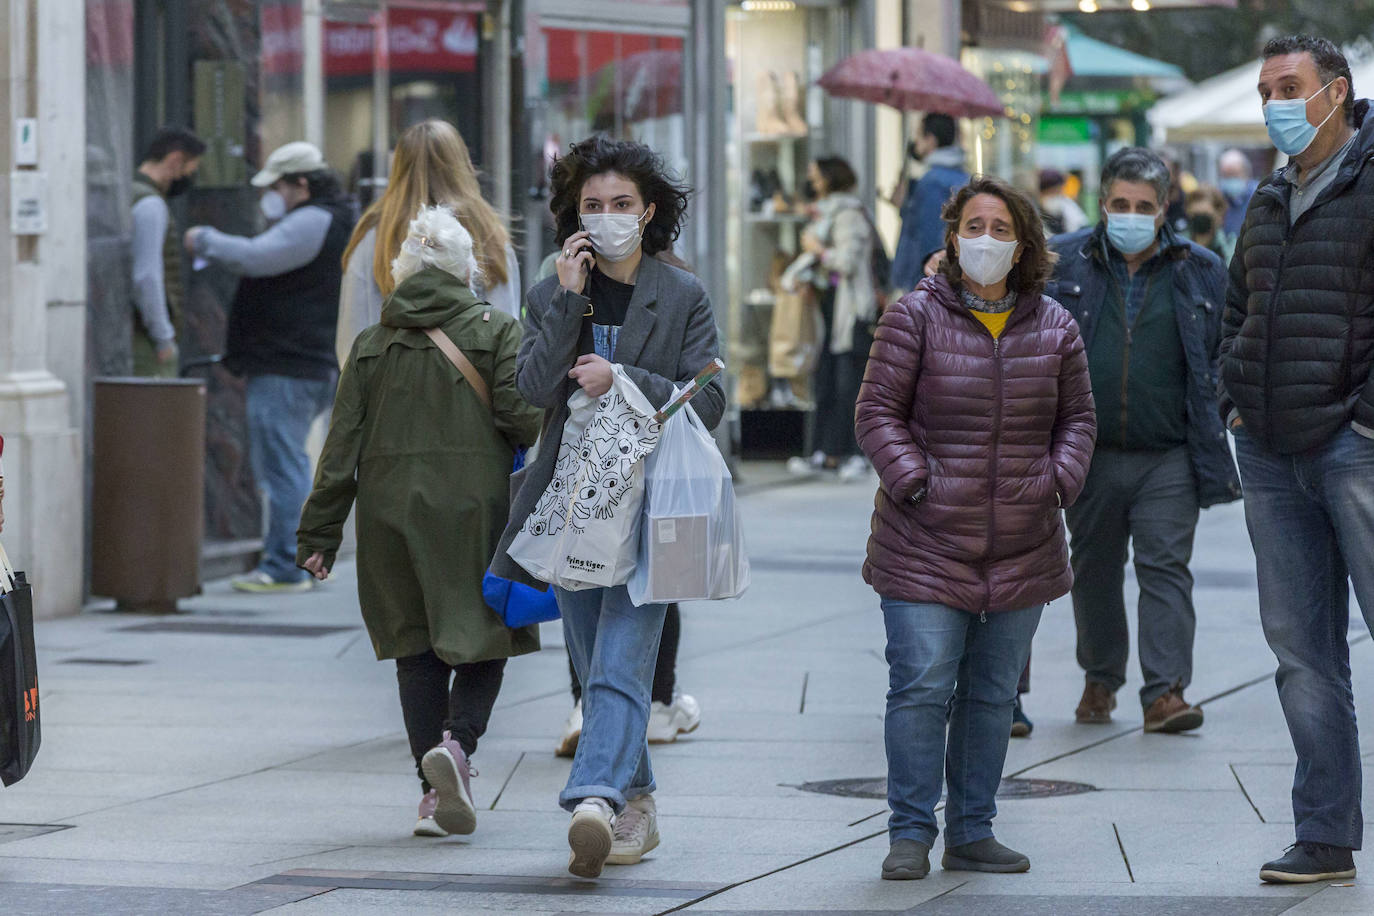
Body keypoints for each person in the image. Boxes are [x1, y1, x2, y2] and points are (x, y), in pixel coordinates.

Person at [489, 135, 724, 879]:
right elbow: (530, 388)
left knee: (623, 660)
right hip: (571, 504)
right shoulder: (552, 289)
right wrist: (564, 299)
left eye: (623, 204)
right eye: (594, 205)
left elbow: (711, 397)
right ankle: (639, 805)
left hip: (653, 504)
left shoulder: (680, 292)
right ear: (575, 216)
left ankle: (592, 799)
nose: (610, 216)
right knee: (597, 666)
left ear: (648, 211)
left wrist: (623, 378)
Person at [857, 175, 1096, 881]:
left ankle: (971, 829)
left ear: (1023, 243)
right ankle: (908, 832)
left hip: (1022, 543)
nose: (985, 240)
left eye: (1000, 228)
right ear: (952, 236)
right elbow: (876, 413)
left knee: (994, 695)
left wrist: (1057, 480)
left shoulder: (1055, 326)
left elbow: (1078, 419)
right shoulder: (914, 317)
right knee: (923, 686)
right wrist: (915, 480)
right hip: (924, 541)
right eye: (973, 225)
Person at [297, 204, 542, 839]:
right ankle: (458, 748)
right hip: (474, 510)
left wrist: (319, 535)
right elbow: (525, 420)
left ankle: (430, 796)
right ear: (469, 271)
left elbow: (339, 448)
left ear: (401, 276)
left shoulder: (372, 345)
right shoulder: (496, 329)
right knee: (489, 630)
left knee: (416, 648)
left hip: (387, 515)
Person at [1221, 34, 1374, 885]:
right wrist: (1232, 396)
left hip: (1354, 450)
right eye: (1266, 88)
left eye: (1291, 86)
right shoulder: (1271, 197)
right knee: (1302, 655)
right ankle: (1324, 835)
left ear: (1337, 92)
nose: (1276, 102)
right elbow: (1238, 303)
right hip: (1273, 454)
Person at [1045, 148, 1241, 735]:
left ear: (1164, 210)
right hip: (1091, 451)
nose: (1130, 215)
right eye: (1120, 205)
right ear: (1104, 204)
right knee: (1095, 569)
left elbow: (1225, 349)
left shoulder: (1202, 269)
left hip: (1171, 453)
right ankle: (1100, 676)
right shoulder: (1066, 264)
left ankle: (1166, 693)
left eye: (1144, 207)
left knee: (1165, 568)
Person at [185, 141, 355, 593]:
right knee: (291, 464)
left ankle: (284, 563)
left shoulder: (313, 219)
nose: (272, 194)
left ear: (300, 183)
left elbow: (256, 256)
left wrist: (204, 239)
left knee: (282, 468)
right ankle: (307, 557)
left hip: (289, 365)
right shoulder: (328, 218)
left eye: (277, 184)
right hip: (301, 362)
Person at [336, 119, 521, 365]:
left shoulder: (373, 237)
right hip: (470, 392)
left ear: (399, 167)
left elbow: (351, 339)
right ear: (461, 165)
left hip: (392, 391)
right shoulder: (486, 233)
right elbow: (506, 331)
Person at [786, 156, 876, 483]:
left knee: (848, 385)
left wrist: (818, 250)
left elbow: (848, 262)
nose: (811, 180)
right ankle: (825, 452)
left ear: (828, 178)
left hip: (850, 310)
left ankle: (854, 453)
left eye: (814, 175)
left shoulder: (848, 214)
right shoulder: (825, 213)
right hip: (829, 307)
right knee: (826, 382)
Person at [130, 127, 205, 377]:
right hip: (144, 340)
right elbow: (147, 277)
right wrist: (163, 337)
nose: (186, 178)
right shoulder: (150, 204)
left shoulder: (128, 192)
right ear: (175, 160)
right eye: (188, 170)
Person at [891, 114, 968, 295]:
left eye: (919, 135)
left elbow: (929, 238)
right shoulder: (962, 176)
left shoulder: (931, 181)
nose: (915, 142)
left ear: (931, 140)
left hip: (926, 280)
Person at [1184, 184, 1235, 263]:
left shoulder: (1230, 245)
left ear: (1219, 216)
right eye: (1196, 215)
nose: (1200, 221)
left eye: (1205, 215)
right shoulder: (1179, 244)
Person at [1217, 148, 1259, 236]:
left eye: (1233, 174)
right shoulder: (1219, 197)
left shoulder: (1259, 194)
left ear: (1246, 173)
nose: (1230, 179)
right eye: (1225, 175)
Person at [1036, 168, 1088, 237]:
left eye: (1058, 192)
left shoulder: (1068, 206)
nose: (1056, 197)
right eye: (1052, 192)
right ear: (1041, 193)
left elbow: (1082, 227)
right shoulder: (1035, 215)